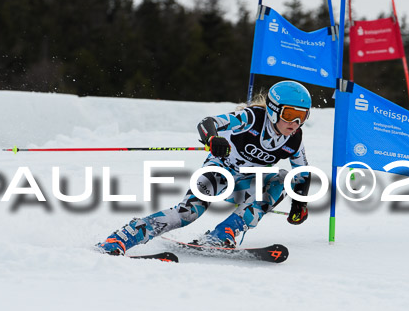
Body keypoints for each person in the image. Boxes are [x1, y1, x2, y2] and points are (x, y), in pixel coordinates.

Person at [96, 80, 312, 255]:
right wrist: (213, 139)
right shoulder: (252, 117)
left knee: (284, 178)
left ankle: (222, 234)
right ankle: (123, 238)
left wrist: (300, 203)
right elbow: (208, 123)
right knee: (188, 213)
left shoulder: (294, 139)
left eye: (301, 116)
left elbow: (302, 173)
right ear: (274, 110)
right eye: (289, 114)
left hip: (247, 183)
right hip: (219, 172)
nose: (294, 123)